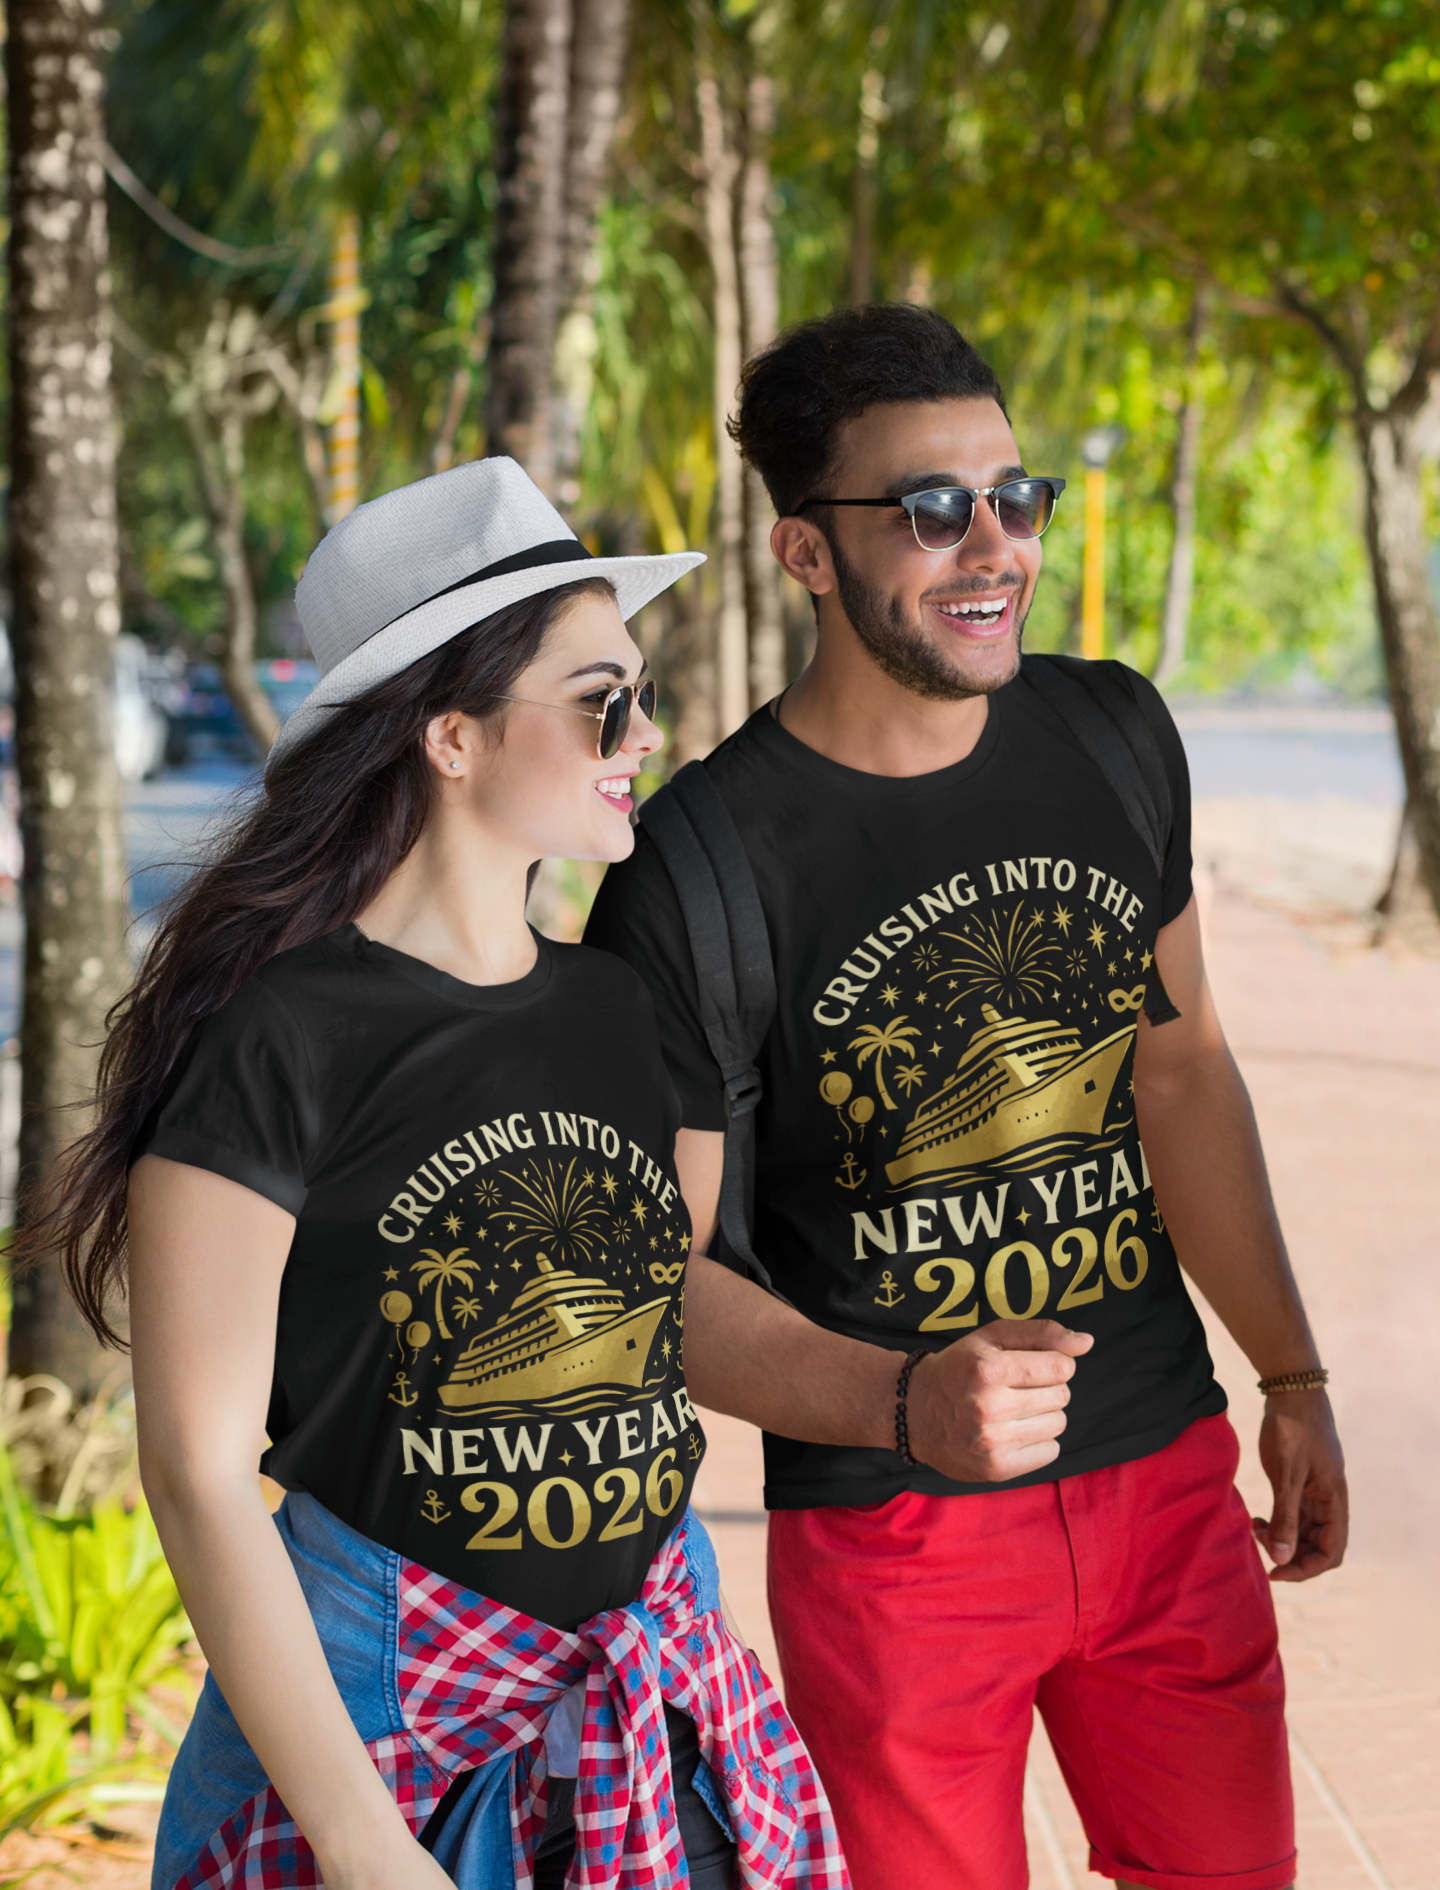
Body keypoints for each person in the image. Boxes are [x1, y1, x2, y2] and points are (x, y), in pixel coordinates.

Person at [584, 303, 1348, 1890]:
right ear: (806, 552)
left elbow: (1181, 1063)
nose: (990, 544)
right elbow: (658, 1280)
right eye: (932, 510)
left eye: (1014, 497)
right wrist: (900, 1401)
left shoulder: (1115, 733)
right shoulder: (700, 869)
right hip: (896, 1534)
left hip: (1163, 1473)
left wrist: (1290, 1368)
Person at [29, 458, 847, 1890]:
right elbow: (198, 1470)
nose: (644, 733)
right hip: (387, 1749)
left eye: (641, 695)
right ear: (450, 735)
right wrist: (358, 1840)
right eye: (603, 700)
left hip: (654, 1720)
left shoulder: (613, 1012)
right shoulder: (282, 1037)